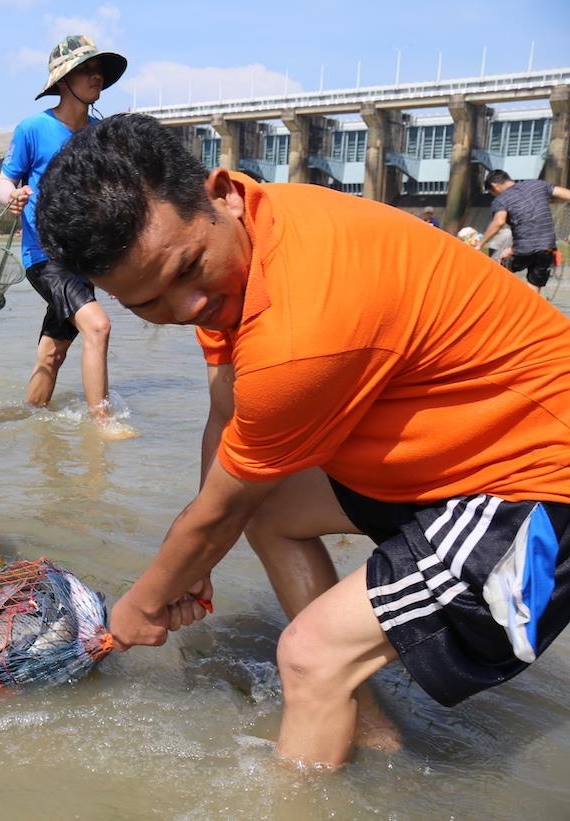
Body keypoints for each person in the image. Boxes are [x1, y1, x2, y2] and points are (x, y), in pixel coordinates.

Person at [37, 114, 570, 768]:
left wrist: (141, 605)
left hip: (538, 482)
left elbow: (221, 509)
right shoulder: (245, 243)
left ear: (221, 193)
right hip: (460, 446)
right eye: (149, 303)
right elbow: (224, 416)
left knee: (307, 653)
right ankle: (370, 731)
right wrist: (193, 561)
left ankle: (321, 748)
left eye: (188, 271)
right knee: (272, 512)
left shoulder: (298, 330)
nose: (186, 307)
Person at [0, 34, 126, 430]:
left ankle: (31, 422)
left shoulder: (101, 134)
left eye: (98, 69)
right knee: (98, 326)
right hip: (45, 256)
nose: (96, 76)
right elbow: (3, 182)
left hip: (82, 260)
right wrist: (12, 196)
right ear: (63, 81)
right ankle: (102, 424)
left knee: (52, 354)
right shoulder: (33, 128)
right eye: (86, 69)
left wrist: (114, 265)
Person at [478, 169, 570, 292]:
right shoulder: (538, 185)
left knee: (497, 270)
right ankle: (531, 308)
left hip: (523, 248)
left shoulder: (501, 199)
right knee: (534, 282)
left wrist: (480, 244)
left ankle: (498, 303)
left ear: (495, 186)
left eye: (492, 192)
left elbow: (499, 222)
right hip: (547, 247)